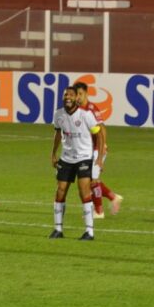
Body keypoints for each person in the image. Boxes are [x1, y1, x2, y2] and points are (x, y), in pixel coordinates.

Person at [50, 86, 99, 240]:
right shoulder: (58, 114)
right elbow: (58, 133)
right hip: (66, 158)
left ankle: (89, 231)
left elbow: (98, 134)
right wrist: (53, 153)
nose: (68, 97)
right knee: (60, 190)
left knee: (83, 190)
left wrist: (97, 155)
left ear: (76, 98)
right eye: (65, 95)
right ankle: (58, 229)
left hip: (84, 157)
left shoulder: (86, 115)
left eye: (71, 95)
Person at [73, 81, 123, 219]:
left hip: (97, 149)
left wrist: (101, 152)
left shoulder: (91, 109)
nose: (78, 97)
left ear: (86, 94)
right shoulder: (77, 109)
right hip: (87, 149)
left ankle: (99, 212)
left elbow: (102, 129)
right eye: (76, 94)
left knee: (92, 181)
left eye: (81, 94)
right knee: (90, 180)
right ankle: (113, 197)